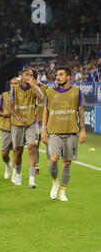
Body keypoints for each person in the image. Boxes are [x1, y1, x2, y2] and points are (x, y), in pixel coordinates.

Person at [41, 65, 86, 202]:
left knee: (67, 162)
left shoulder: (77, 91)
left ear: (68, 77)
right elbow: (45, 111)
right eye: (57, 74)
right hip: (54, 132)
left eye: (61, 74)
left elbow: (81, 112)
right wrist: (43, 129)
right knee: (53, 159)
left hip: (71, 132)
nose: (58, 77)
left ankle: (63, 191)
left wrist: (83, 129)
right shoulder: (49, 92)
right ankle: (55, 182)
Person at [8, 68, 44, 188]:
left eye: (31, 75)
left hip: (31, 124)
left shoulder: (34, 88)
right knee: (18, 152)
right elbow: (10, 107)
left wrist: (33, 85)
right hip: (17, 124)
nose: (29, 76)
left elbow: (41, 98)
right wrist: (18, 117)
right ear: (21, 76)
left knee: (31, 147)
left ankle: (31, 179)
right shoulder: (15, 89)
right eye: (27, 74)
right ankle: (18, 175)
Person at [0, 78, 19, 181]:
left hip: (18, 127)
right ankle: (8, 165)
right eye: (11, 83)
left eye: (15, 84)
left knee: (16, 151)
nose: (13, 85)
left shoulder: (24, 96)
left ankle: (14, 174)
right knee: (4, 154)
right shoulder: (4, 96)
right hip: (6, 127)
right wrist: (3, 114)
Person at [31, 68, 49, 175]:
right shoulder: (28, 89)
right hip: (34, 122)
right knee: (35, 145)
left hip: (45, 122)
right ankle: (36, 166)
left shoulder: (46, 88)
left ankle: (51, 163)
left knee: (47, 143)